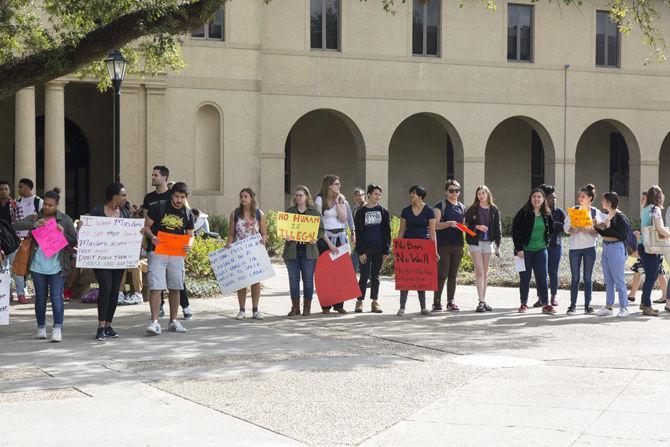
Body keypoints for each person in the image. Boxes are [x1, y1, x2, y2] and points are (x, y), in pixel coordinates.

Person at [14, 188, 77, 342]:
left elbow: (74, 241)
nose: (47, 208)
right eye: (45, 204)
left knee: (56, 298)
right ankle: (41, 328)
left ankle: (57, 328)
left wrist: (62, 234)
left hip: (57, 266)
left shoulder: (65, 219)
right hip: (37, 266)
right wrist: (34, 224)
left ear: (57, 205)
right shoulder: (37, 216)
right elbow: (17, 225)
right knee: (40, 298)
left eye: (51, 205)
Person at [144, 182, 194, 335]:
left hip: (177, 254)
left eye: (182, 197)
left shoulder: (187, 213)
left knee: (175, 287)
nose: (179, 200)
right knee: (156, 288)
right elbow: (146, 227)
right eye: (177, 196)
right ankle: (155, 322)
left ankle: (173, 321)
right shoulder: (159, 206)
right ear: (172, 195)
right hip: (158, 252)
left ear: (185, 198)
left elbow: (190, 235)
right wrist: (152, 237)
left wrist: (190, 244)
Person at [86, 182, 133, 341]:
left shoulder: (126, 213)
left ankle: (108, 325)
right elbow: (89, 230)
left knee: (114, 290)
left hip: (118, 259)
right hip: (101, 259)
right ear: (115, 197)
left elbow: (130, 233)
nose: (125, 198)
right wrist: (83, 228)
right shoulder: (98, 211)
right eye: (123, 195)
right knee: (105, 287)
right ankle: (100, 326)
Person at [314, 175, 356, 314]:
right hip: (325, 238)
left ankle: (339, 304)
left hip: (340, 237)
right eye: (336, 184)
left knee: (340, 273)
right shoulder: (320, 199)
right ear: (329, 186)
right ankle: (326, 304)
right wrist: (328, 243)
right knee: (326, 273)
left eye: (339, 183)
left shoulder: (341, 199)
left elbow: (343, 218)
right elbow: (318, 223)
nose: (339, 186)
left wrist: (338, 202)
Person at [227, 188, 268, 320]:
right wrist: (229, 245)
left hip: (255, 250)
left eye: (246, 196)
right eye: (241, 196)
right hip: (240, 250)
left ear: (251, 198)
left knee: (256, 280)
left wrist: (264, 241)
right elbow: (231, 234)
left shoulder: (259, 213)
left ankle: (255, 309)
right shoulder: (235, 214)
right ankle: (242, 309)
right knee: (242, 281)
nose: (243, 199)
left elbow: (264, 232)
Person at [397, 185, 437, 316]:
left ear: (420, 195)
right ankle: (402, 307)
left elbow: (432, 232)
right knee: (406, 277)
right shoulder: (406, 210)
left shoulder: (429, 211)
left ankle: (423, 307)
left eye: (413, 194)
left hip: (423, 247)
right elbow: (402, 229)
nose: (411, 196)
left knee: (421, 277)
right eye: (410, 193)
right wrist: (398, 247)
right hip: (408, 247)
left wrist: (434, 250)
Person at [512, 188, 554, 314]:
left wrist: (546, 241)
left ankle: (545, 304)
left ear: (543, 199)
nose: (536, 199)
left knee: (542, 277)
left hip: (541, 250)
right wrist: (519, 248)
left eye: (539, 197)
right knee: (525, 278)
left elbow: (552, 228)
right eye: (534, 197)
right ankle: (523, 304)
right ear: (530, 199)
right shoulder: (523, 213)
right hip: (524, 251)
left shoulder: (547, 214)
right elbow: (515, 232)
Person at [282, 185, 321, 316]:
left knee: (308, 280)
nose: (298, 197)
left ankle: (307, 307)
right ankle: (295, 307)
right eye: (296, 195)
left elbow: (321, 230)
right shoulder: (289, 212)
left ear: (306, 197)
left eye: (301, 195)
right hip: (292, 252)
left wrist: (315, 238)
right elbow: (283, 229)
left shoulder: (314, 213)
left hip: (309, 252)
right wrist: (285, 236)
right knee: (293, 280)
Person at [464, 185, 501, 312]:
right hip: (475, 243)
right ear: (477, 195)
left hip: (488, 243)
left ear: (488, 194)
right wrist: (477, 227)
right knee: (479, 271)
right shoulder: (473, 209)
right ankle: (480, 301)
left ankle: (484, 301)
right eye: (479, 194)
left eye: (483, 193)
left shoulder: (493, 209)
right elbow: (466, 226)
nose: (481, 196)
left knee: (485, 273)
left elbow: (497, 228)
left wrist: (498, 245)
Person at [354, 184, 391, 313]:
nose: (378, 197)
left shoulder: (383, 211)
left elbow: (387, 232)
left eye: (379, 194)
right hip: (365, 249)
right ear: (369, 195)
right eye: (375, 194)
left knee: (375, 276)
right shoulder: (361, 212)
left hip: (379, 249)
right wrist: (361, 251)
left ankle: (375, 302)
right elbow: (358, 232)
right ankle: (359, 301)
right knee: (363, 276)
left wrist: (386, 250)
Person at [564, 184, 599, 316]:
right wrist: (572, 228)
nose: (580, 198)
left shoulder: (595, 212)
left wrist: (588, 229)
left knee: (588, 278)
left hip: (590, 247)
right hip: (575, 248)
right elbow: (566, 227)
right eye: (579, 196)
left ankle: (587, 306)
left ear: (590, 198)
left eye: (583, 196)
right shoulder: (574, 210)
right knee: (575, 278)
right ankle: (572, 306)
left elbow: (599, 231)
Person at [594, 192, 630, 318]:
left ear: (609, 202)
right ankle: (609, 307)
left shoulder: (620, 217)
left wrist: (608, 227)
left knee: (619, 280)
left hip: (616, 249)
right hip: (606, 248)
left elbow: (622, 236)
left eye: (604, 200)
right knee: (609, 280)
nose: (602, 202)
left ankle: (624, 307)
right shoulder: (607, 215)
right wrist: (597, 226)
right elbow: (606, 234)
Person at [432, 179, 466, 312]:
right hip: (443, 245)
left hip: (458, 245)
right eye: (451, 190)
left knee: (453, 275)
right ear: (446, 192)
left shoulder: (462, 207)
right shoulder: (440, 205)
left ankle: (450, 301)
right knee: (441, 274)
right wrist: (448, 223)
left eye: (457, 190)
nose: (454, 193)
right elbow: (435, 226)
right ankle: (436, 301)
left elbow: (464, 226)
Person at [629, 192, 667, 303]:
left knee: (656, 273)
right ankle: (641, 299)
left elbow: (654, 229)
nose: (642, 200)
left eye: (644, 198)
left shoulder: (650, 210)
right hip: (649, 247)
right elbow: (653, 229)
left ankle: (649, 299)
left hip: (651, 247)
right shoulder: (649, 210)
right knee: (650, 273)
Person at [638, 186, 670, 316]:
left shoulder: (645, 208)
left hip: (643, 245)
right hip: (651, 247)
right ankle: (646, 306)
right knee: (651, 277)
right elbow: (660, 228)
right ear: (658, 196)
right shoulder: (655, 209)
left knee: (650, 276)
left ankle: (643, 303)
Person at [532, 184, 566, 308]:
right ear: (545, 199)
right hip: (540, 246)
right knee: (541, 272)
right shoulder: (538, 212)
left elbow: (564, 227)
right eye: (551, 198)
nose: (554, 200)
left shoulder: (559, 212)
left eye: (555, 197)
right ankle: (541, 297)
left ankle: (553, 297)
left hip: (555, 246)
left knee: (553, 272)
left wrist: (554, 224)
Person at [15, 178, 42, 304]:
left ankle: (38, 290)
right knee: (22, 262)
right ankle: (22, 290)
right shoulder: (16, 202)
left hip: (35, 238)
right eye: (18, 187)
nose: (19, 189)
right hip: (20, 237)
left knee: (34, 262)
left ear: (28, 187)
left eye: (21, 187)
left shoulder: (38, 201)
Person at [0, 180, 24, 302]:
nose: (3, 191)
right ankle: (6, 294)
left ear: (9, 191)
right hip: (0, 242)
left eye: (6, 189)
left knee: (16, 268)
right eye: (1, 189)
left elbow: (19, 223)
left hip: (12, 241)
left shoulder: (15, 204)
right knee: (2, 269)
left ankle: (20, 293)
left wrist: (19, 239)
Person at [351, 187, 366, 273]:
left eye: (360, 195)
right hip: (359, 239)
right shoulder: (356, 209)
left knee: (355, 259)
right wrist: (353, 234)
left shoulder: (366, 208)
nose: (358, 197)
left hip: (365, 239)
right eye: (356, 196)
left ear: (364, 196)